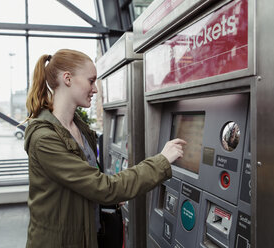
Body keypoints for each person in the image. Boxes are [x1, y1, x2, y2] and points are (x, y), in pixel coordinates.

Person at [24, 49, 186, 248]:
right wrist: (162, 161)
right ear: (68, 79)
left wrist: (106, 203)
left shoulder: (78, 128)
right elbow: (104, 188)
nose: (95, 90)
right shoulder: (45, 139)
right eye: (91, 81)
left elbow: (85, 186)